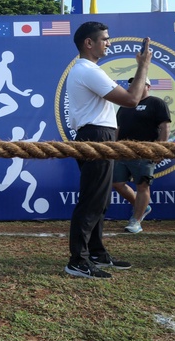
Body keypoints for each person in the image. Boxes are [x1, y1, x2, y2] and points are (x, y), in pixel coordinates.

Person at [64, 22, 151, 279]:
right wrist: (143, 64)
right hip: (97, 135)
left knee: (99, 200)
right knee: (92, 200)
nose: (108, 43)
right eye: (104, 39)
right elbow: (132, 100)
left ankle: (96, 253)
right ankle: (77, 260)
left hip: (99, 134)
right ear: (88, 43)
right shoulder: (87, 70)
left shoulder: (88, 70)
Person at [112, 76, 171, 234]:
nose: (133, 86)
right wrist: (114, 148)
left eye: (138, 84)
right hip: (123, 151)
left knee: (142, 186)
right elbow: (117, 129)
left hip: (145, 152)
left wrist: (161, 149)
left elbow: (165, 127)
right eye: (131, 84)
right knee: (117, 183)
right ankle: (143, 208)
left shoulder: (156, 103)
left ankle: (136, 220)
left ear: (148, 87)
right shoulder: (124, 106)